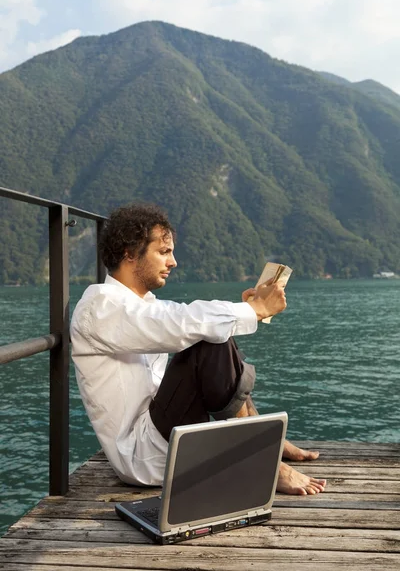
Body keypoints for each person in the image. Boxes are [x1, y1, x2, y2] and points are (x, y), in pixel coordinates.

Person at [71, 203, 326, 496]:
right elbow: (182, 323)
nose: (173, 262)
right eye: (164, 252)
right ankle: (264, 460)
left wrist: (241, 308)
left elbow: (182, 319)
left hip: (162, 433)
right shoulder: (100, 307)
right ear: (130, 253)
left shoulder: (140, 306)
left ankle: (266, 441)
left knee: (212, 332)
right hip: (143, 456)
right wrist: (251, 310)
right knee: (207, 338)